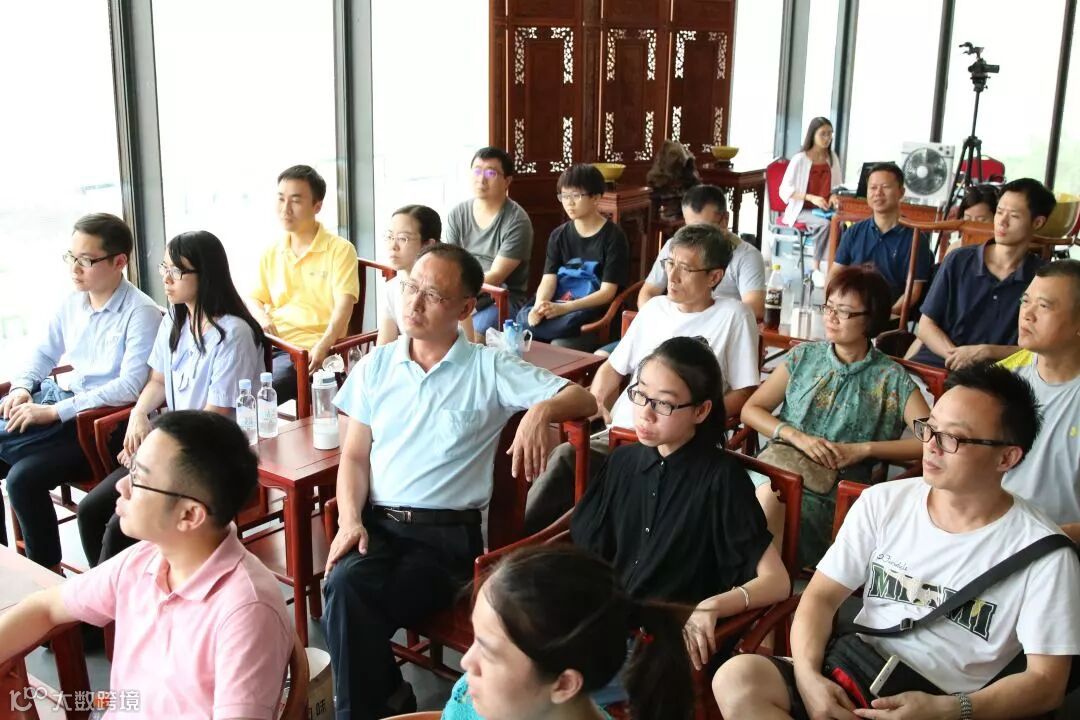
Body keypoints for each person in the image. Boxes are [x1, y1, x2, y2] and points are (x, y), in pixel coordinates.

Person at [713, 363, 1080, 720]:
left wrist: (950, 710)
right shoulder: (884, 502)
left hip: (946, 703)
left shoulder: (1043, 553)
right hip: (857, 671)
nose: (931, 446)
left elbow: (1046, 683)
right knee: (738, 678)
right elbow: (821, 597)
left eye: (952, 438)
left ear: (1007, 457)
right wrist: (809, 680)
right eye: (929, 428)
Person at [321, 243, 596, 719]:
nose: (414, 303)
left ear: (466, 308)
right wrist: (349, 520)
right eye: (411, 287)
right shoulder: (376, 367)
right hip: (378, 527)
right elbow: (354, 457)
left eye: (432, 295)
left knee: (347, 594)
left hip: (443, 543)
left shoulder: (488, 368)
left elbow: (585, 399)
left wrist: (542, 410)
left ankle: (381, 702)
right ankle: (384, 700)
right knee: (345, 585)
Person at [0, 411, 293, 718]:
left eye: (138, 478)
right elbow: (46, 607)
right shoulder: (146, 559)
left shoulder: (246, 612)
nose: (121, 486)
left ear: (189, 515)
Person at [571, 337, 789, 673]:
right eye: (641, 394)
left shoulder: (721, 479)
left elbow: (777, 581)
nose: (645, 413)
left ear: (701, 411)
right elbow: (591, 552)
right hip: (607, 625)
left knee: (542, 682)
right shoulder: (622, 461)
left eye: (664, 404)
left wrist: (711, 607)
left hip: (664, 646)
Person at [524, 223, 760, 535]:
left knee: (589, 487)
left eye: (686, 269)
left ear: (714, 277)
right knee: (564, 459)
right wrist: (598, 401)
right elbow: (612, 368)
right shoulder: (655, 309)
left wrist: (692, 419)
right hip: (622, 433)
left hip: (676, 443)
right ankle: (520, 541)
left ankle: (554, 540)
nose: (672, 277)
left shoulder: (734, 316)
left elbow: (745, 391)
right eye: (670, 264)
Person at [76, 230, 266, 566]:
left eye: (176, 271)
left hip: (208, 455)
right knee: (90, 510)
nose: (166, 279)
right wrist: (139, 415)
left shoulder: (233, 334)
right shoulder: (175, 321)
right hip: (175, 445)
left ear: (206, 275)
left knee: (119, 527)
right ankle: (107, 596)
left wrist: (154, 447)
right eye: (164, 268)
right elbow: (158, 381)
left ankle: (127, 594)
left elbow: (214, 416)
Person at [740, 265, 929, 566]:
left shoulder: (891, 378)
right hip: (777, 465)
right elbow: (751, 409)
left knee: (763, 509)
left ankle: (756, 583)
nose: (830, 317)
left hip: (833, 490)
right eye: (828, 307)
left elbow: (931, 440)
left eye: (843, 311)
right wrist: (796, 436)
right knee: (744, 498)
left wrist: (864, 450)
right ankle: (759, 583)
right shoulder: (803, 357)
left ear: (871, 319)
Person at [0, 213, 159, 568]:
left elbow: (130, 386)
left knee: (22, 478)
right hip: (65, 413)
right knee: (14, 451)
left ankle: (45, 572)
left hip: (103, 428)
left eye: (85, 260)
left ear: (119, 262)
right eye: (71, 257)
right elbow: (43, 353)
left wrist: (53, 412)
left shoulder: (141, 312)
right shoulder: (73, 302)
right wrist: (23, 387)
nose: (74, 269)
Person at [445, 545, 693, 720]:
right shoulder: (469, 699)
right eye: (476, 639)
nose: (466, 662)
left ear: (564, 684)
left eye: (489, 653)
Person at [910, 178, 1054, 370]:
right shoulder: (959, 260)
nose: (1002, 222)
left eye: (1014, 216)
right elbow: (926, 326)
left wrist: (988, 352)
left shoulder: (1043, 278)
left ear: (1037, 222)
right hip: (935, 364)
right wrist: (958, 358)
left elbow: (1041, 349)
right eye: (1000, 212)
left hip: (993, 376)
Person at [247, 164, 359, 403]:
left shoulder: (340, 250)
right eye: (281, 199)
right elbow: (253, 298)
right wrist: (262, 318)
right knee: (227, 385)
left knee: (257, 398)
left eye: (296, 200)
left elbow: (344, 307)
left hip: (309, 352)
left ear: (317, 206)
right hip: (270, 344)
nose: (285, 209)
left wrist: (324, 345)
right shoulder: (272, 251)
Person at [1001, 260, 1080, 542]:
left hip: (1062, 546)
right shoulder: (1002, 380)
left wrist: (1047, 539)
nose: (1027, 314)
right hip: (992, 532)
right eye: (1025, 301)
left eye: (1044, 306)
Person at [518, 163, 629, 347]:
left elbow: (607, 293)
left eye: (576, 196)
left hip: (594, 316)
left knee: (559, 346)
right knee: (522, 337)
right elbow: (549, 278)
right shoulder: (558, 235)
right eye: (564, 196)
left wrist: (565, 308)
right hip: (560, 305)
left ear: (596, 197)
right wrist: (540, 305)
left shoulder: (614, 237)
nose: (569, 202)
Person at [639, 184, 766, 321]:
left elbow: (754, 309)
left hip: (718, 327)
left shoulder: (747, 256)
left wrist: (702, 324)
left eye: (706, 229)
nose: (698, 238)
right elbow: (647, 294)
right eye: (691, 229)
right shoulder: (675, 246)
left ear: (725, 219)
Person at [444, 146, 534, 337]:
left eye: (491, 173)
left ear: (507, 181)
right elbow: (449, 262)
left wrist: (455, 293)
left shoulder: (517, 220)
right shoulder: (457, 213)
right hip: (462, 293)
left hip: (500, 298)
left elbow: (496, 276)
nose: (481, 179)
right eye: (477, 171)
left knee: (473, 333)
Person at [830, 162, 932, 315]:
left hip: (889, 315)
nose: (878, 193)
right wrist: (831, 307)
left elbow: (913, 292)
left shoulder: (916, 239)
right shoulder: (854, 232)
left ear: (901, 192)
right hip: (850, 313)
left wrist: (886, 316)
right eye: (873, 187)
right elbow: (835, 274)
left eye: (885, 187)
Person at [779, 117, 844, 266]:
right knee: (825, 224)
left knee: (840, 223)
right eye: (823, 134)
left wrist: (833, 197)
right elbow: (784, 190)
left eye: (830, 133)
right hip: (802, 209)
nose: (827, 138)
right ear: (813, 135)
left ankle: (834, 265)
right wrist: (811, 198)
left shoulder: (832, 158)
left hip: (825, 209)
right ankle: (817, 266)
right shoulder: (799, 159)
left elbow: (837, 186)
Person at [376, 204, 441, 346]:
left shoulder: (448, 289)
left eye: (402, 238)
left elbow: (466, 347)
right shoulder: (392, 288)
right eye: (390, 236)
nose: (393, 246)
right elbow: (384, 346)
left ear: (428, 245)